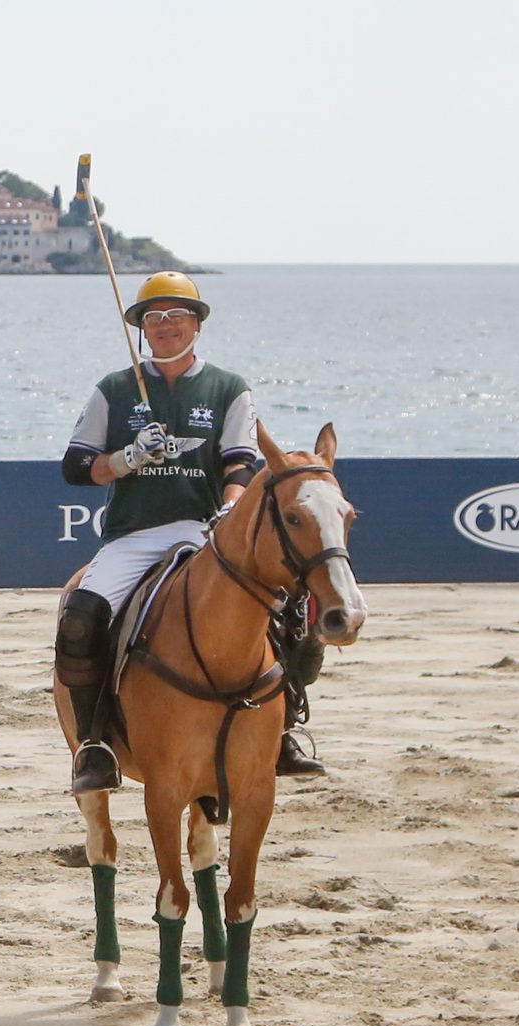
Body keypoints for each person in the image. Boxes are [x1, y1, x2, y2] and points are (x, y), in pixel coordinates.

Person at [52, 271, 325, 794]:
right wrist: (126, 458)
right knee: (82, 619)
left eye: (177, 315)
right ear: (141, 329)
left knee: (289, 614)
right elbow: (75, 466)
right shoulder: (114, 389)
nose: (166, 326)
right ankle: (94, 745)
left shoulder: (228, 388)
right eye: (154, 318)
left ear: (197, 324)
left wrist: (229, 511)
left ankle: (285, 730)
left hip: (206, 529)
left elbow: (241, 464)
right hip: (132, 534)